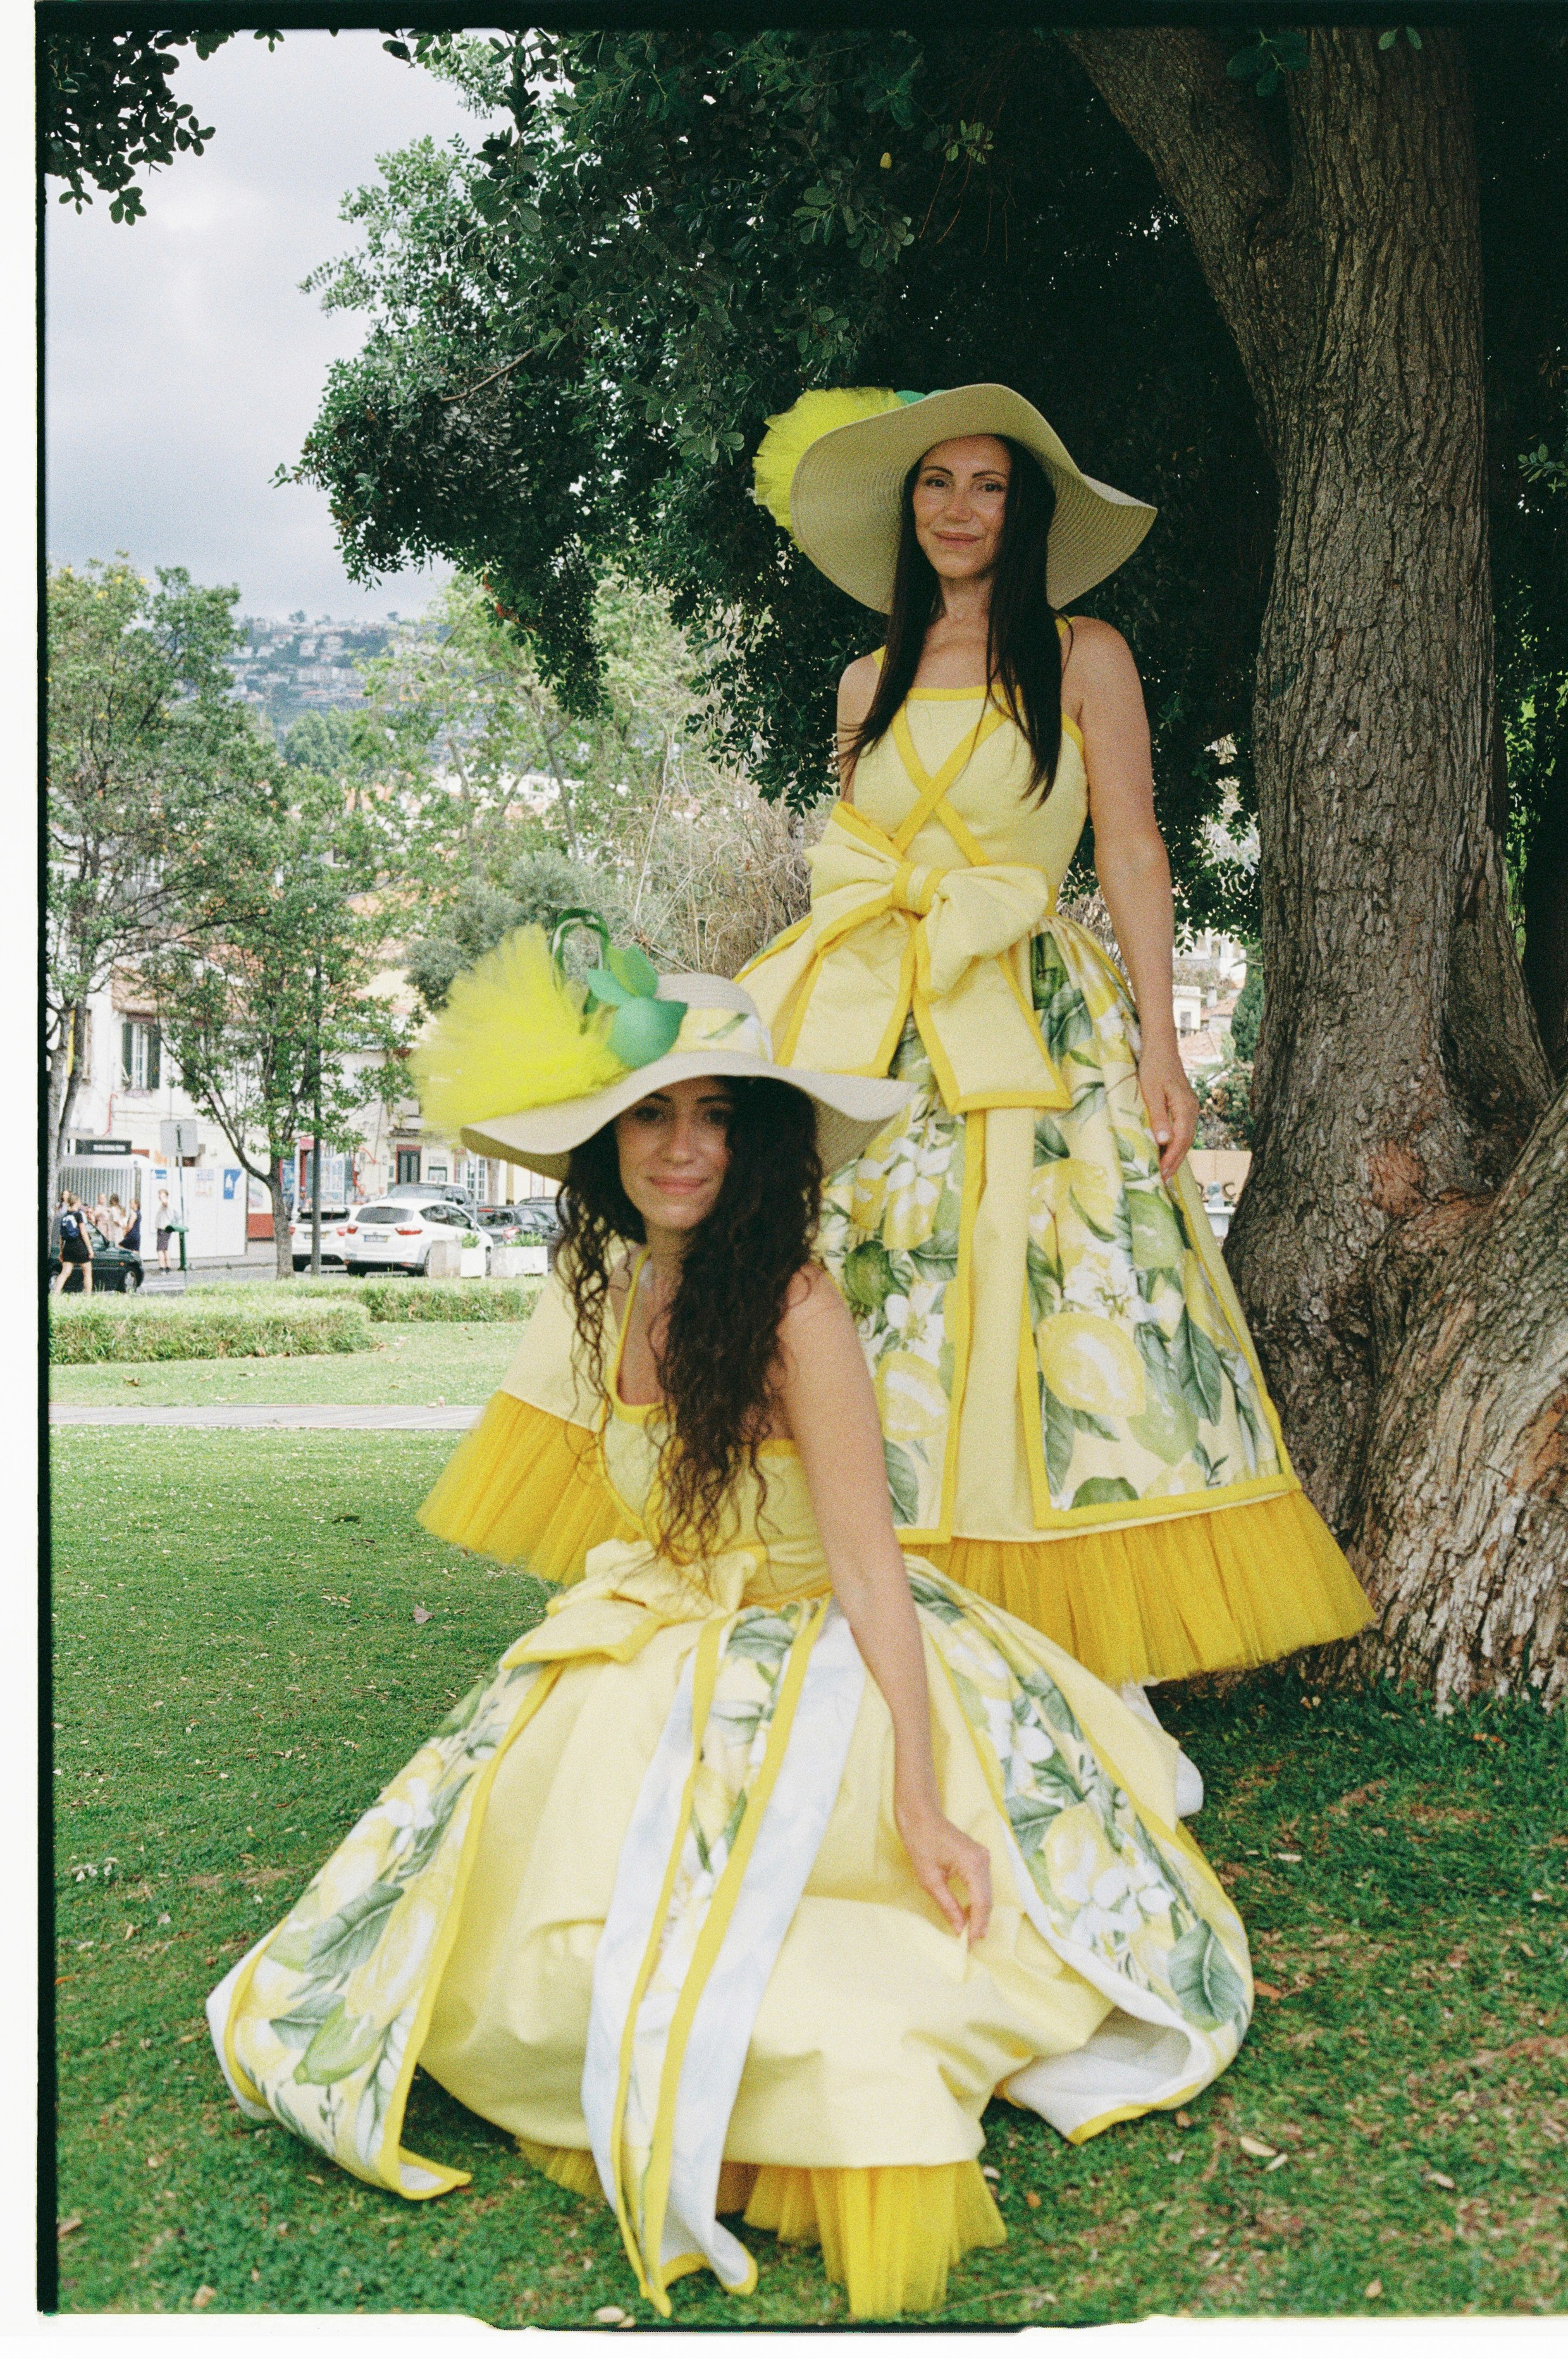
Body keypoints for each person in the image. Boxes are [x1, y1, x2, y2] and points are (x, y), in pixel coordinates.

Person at [211, 936, 1254, 2320]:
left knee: (733, 1924)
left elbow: (870, 1569)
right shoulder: (626, 1286)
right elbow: (660, 1521)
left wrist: (921, 1795)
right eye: (652, 1111)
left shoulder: (795, 1303)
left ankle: (835, 2053)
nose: (682, 1147)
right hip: (658, 1641)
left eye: (715, 1114)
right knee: (479, 1910)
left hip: (820, 1653)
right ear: (605, 1140)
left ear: (756, 1140)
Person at [728, 382, 1370, 1687]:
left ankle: (1081, 1674)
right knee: (884, 1296)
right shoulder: (864, 679)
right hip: (879, 1018)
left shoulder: (1083, 653)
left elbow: (1130, 843)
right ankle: (881, 1633)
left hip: (1039, 1020)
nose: (959, 509)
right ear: (906, 511)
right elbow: (850, 867)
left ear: (1019, 516)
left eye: (988, 486)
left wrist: (1158, 1040)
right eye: (934, 484)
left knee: (1055, 1298)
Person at [53, 1192, 93, 1294]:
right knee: (87, 1271)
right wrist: (89, 1249)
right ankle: (88, 1296)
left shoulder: (64, 1216)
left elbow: (62, 1236)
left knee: (65, 1272)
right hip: (79, 1245)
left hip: (68, 1247)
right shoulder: (79, 1215)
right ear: (77, 1202)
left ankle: (56, 1293)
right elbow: (83, 1232)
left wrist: (61, 1251)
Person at [154, 1189, 175, 1271]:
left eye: (161, 1195)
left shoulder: (167, 1203)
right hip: (164, 1229)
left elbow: (164, 1202)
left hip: (163, 1229)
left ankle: (162, 1267)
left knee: (160, 1249)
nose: (159, 1196)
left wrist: (163, 1198)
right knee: (165, 1249)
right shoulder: (165, 1205)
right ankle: (168, 1266)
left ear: (166, 1196)